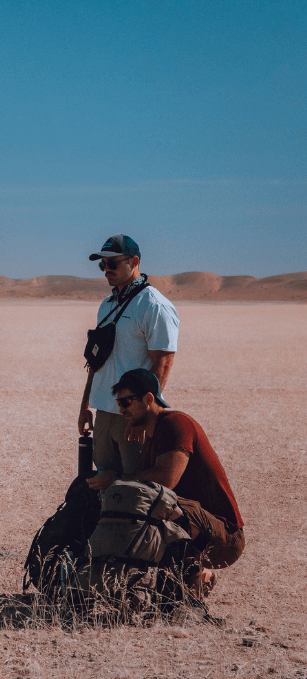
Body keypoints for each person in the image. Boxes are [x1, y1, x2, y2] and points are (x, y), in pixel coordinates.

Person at [89, 368, 244, 597]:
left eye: (127, 402)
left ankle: (199, 573)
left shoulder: (176, 424)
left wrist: (115, 479)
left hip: (224, 540)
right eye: (119, 403)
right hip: (195, 526)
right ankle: (187, 578)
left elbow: (166, 480)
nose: (121, 410)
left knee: (154, 503)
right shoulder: (153, 432)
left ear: (149, 398)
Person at [79, 235, 179, 476]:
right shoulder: (107, 305)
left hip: (132, 416)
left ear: (134, 261)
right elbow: (96, 361)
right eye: (102, 264)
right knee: (105, 482)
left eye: (112, 263)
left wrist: (142, 417)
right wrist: (86, 404)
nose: (106, 270)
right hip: (104, 410)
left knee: (135, 485)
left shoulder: (153, 305)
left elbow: (162, 362)